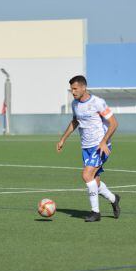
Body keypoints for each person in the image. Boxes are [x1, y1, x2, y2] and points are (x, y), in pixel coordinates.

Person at [57, 75, 120, 222]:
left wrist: (104, 142)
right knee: (95, 182)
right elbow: (75, 122)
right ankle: (113, 199)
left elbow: (114, 123)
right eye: (71, 89)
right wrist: (63, 139)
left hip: (100, 146)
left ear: (84, 87)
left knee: (86, 175)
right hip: (86, 147)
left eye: (75, 88)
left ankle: (95, 213)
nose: (73, 92)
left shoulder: (98, 102)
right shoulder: (75, 104)